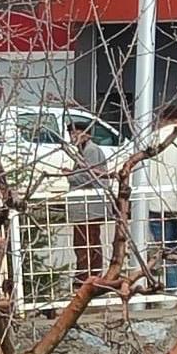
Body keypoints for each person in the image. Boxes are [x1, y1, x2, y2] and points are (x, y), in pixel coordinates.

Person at [144, 102, 177, 291]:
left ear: (164, 119)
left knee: (157, 249)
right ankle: (173, 288)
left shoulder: (152, 140)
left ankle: (155, 287)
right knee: (176, 249)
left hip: (157, 204)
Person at [66, 119, 109, 285]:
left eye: (76, 132)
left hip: (90, 205)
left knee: (87, 242)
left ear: (87, 134)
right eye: (71, 133)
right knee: (83, 242)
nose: (73, 136)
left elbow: (88, 176)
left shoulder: (91, 150)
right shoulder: (81, 151)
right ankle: (86, 275)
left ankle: (89, 277)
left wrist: (69, 176)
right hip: (84, 205)